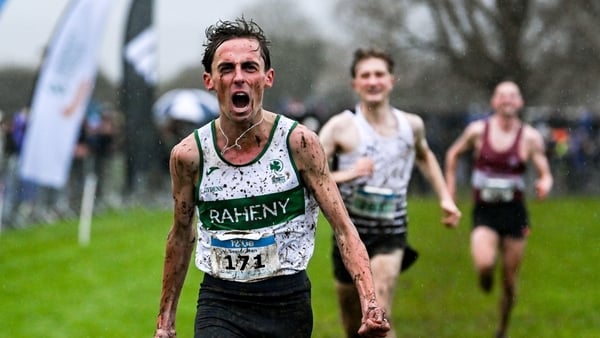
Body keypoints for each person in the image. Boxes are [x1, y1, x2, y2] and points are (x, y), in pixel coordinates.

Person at [153, 18, 390, 338]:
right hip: (220, 301)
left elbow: (343, 229)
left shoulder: (299, 144)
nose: (239, 77)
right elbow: (181, 235)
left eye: (250, 67)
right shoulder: (189, 155)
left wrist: (370, 303)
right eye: (227, 68)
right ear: (210, 81)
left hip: (285, 302)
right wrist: (165, 322)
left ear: (268, 78)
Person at [318, 48, 462, 338]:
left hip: (391, 233)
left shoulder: (411, 125)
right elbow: (310, 175)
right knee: (353, 323)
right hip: (349, 234)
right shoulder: (340, 127)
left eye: (379, 74)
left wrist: (445, 198)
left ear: (391, 80)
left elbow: (425, 156)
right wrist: (350, 173)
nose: (373, 81)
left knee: (377, 315)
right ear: (355, 84)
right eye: (365, 75)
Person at [444, 81, 553, 338]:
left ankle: (502, 329)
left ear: (520, 103)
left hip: (515, 215)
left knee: (510, 281)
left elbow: (544, 171)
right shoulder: (478, 131)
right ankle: (485, 278)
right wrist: (450, 191)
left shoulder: (529, 137)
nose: (507, 100)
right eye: (502, 96)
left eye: (512, 96)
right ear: (493, 102)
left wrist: (544, 184)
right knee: (484, 264)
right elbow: (453, 154)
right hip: (485, 213)